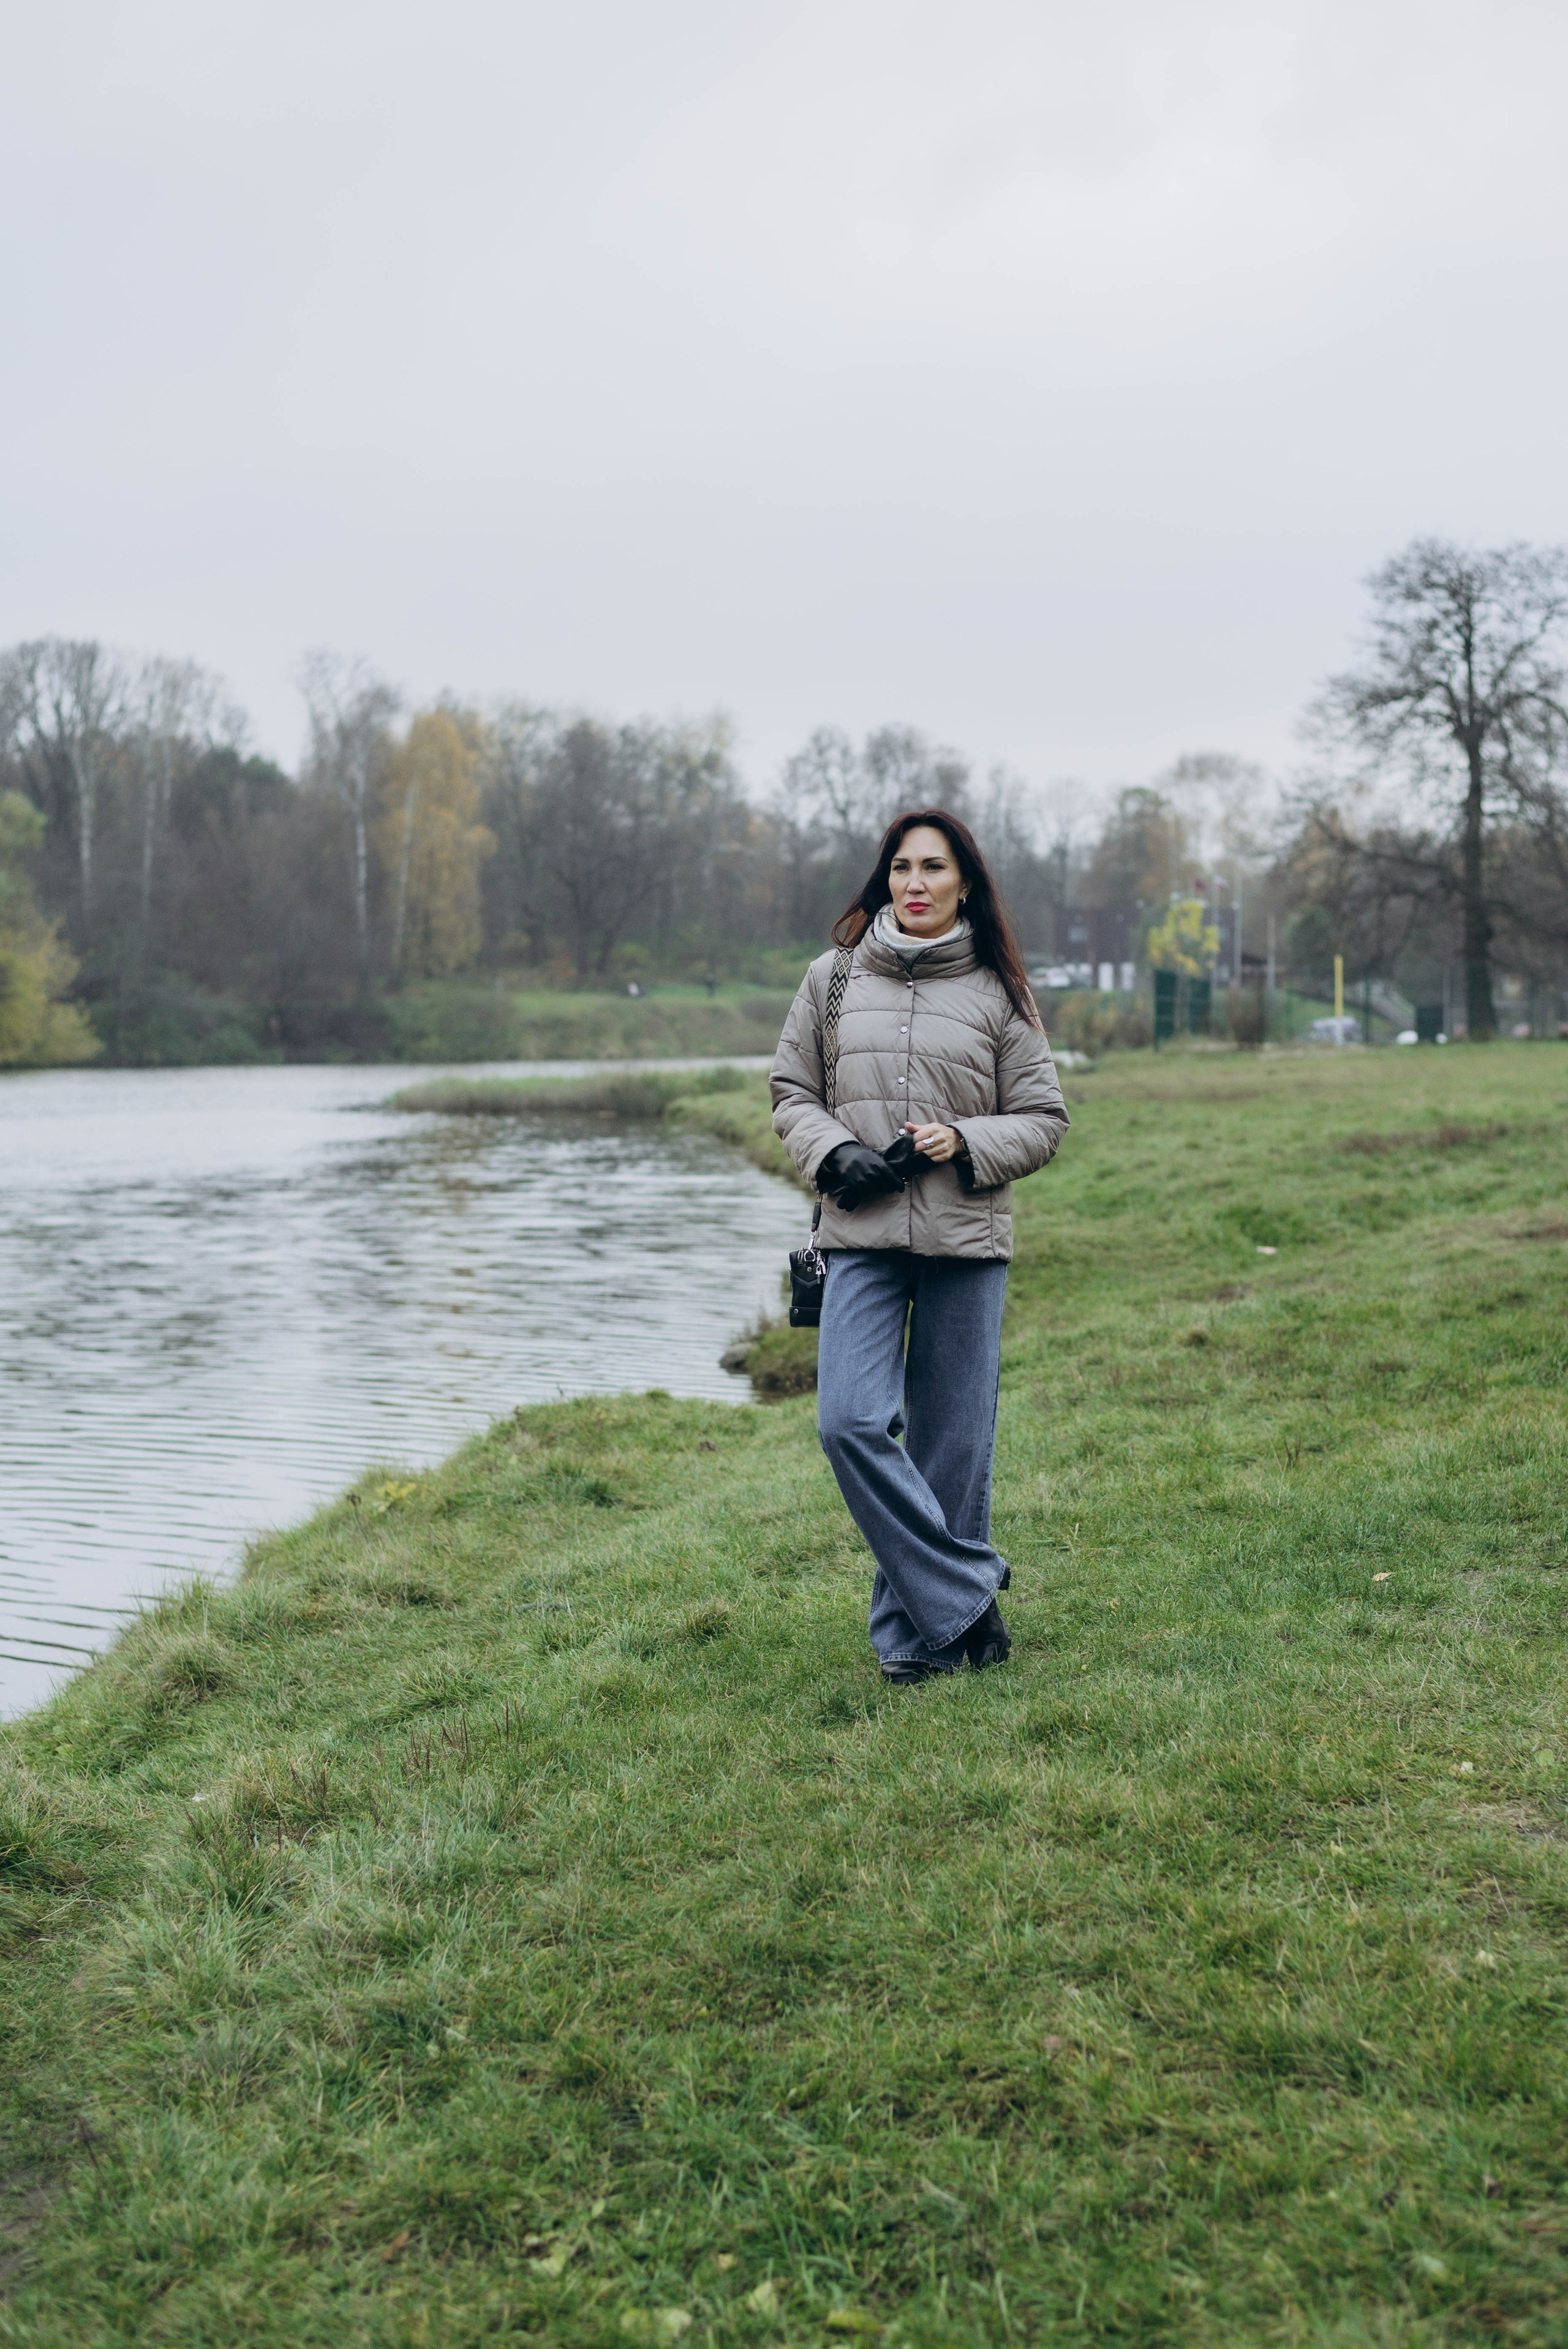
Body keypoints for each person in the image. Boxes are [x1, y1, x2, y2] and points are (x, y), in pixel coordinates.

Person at [771, 810, 1068, 1684]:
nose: (916, 882)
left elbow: (1044, 1121)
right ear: (885, 878)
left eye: (934, 867)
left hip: (966, 1241)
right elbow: (791, 1090)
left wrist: (965, 1141)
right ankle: (970, 1593)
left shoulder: (1000, 993)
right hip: (859, 1237)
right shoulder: (832, 980)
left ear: (964, 882)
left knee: (953, 1445)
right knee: (848, 1422)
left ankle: (917, 1645)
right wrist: (833, 1152)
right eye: (901, 866)